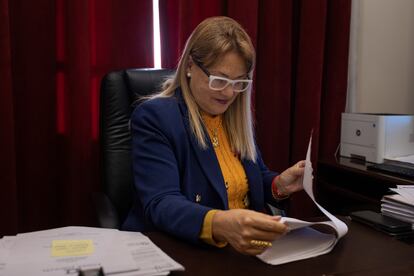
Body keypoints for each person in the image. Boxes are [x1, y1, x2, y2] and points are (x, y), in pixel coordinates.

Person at [123, 16, 305, 255]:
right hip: (182, 249)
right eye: (219, 80)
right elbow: (161, 203)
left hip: (243, 252)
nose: (229, 93)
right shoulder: (155, 117)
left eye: (239, 83)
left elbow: (251, 176)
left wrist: (278, 184)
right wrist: (220, 224)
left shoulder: (233, 118)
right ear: (190, 66)